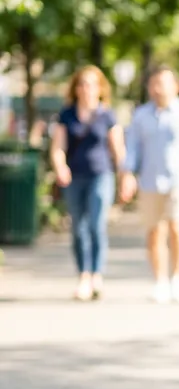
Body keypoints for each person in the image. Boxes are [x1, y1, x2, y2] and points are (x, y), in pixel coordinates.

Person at [119, 65, 179, 303]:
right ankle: (160, 280)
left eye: (163, 83)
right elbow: (132, 149)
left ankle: (178, 278)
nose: (158, 89)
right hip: (150, 181)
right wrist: (127, 175)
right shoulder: (141, 116)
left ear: (176, 86)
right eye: (154, 84)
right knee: (154, 231)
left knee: (178, 228)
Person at [50, 66, 125, 300]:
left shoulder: (107, 115)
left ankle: (96, 274)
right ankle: (83, 275)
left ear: (100, 88)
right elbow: (58, 147)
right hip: (75, 177)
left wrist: (125, 177)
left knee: (96, 224)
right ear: (76, 88)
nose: (86, 89)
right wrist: (60, 167)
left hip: (101, 175)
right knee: (78, 228)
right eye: (82, 84)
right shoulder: (67, 115)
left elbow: (118, 150)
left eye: (91, 84)